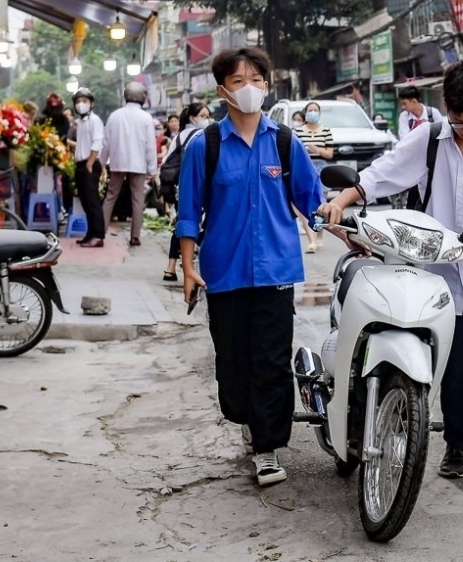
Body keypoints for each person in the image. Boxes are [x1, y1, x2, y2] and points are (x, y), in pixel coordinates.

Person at [319, 60, 463, 500]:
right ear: (446, 107)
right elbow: (381, 174)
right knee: (452, 371)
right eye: (459, 121)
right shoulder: (430, 138)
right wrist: (341, 199)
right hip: (441, 281)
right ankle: (457, 447)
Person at [176, 47, 323, 487]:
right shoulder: (205, 146)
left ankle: (268, 448)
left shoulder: (284, 141)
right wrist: (188, 267)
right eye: (239, 81)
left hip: (276, 271)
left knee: (272, 362)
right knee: (234, 366)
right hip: (224, 272)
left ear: (268, 84)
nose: (250, 88)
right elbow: (188, 213)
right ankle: (247, 418)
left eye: (257, 79)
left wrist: (349, 231)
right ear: (223, 90)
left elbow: (312, 200)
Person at [100, 82, 158, 247]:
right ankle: (135, 236)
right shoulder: (146, 118)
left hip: (118, 162)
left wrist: (101, 164)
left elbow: (106, 143)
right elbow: (150, 146)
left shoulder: (114, 116)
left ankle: (101, 232)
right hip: (138, 163)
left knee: (111, 196)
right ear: (143, 98)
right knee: (137, 199)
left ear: (125, 96)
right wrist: (152, 169)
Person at [160, 102, 211, 281]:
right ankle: (192, 263)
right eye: (203, 116)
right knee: (200, 224)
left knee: (183, 223)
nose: (207, 120)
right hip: (200, 187)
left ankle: (171, 266)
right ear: (192, 118)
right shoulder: (203, 135)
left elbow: (167, 161)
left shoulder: (180, 136)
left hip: (179, 188)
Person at [293, 101, 333, 252]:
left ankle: (319, 235)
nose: (313, 113)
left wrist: (318, 150)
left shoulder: (326, 131)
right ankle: (312, 240)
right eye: (310, 110)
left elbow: (330, 153)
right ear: (305, 113)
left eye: (316, 110)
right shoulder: (297, 132)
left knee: (320, 205)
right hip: (304, 168)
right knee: (304, 204)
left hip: (321, 168)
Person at [70, 88, 106, 249]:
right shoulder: (81, 123)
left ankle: (98, 236)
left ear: (91, 103)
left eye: (84, 101)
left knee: (92, 202)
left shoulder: (94, 120)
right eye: (78, 101)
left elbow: (97, 143)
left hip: (89, 164)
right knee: (85, 202)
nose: (81, 104)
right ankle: (90, 233)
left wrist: (90, 163)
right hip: (81, 164)